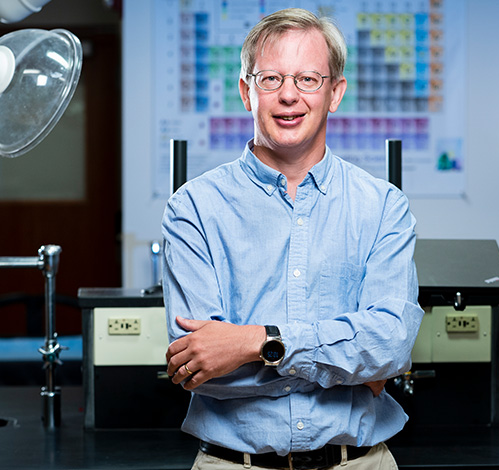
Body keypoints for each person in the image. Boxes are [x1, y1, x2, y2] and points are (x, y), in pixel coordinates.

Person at [163, 8, 423, 470]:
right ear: (247, 91)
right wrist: (347, 366)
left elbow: (390, 347)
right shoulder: (194, 209)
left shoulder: (383, 206)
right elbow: (200, 370)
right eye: (270, 79)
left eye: (308, 79)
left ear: (335, 93)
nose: (288, 96)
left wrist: (255, 342)